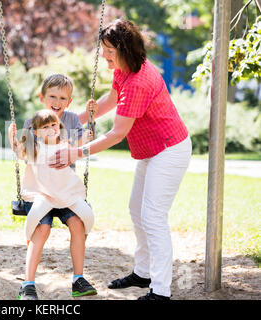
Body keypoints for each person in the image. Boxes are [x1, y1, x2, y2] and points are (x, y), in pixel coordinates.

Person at [49, 19, 192, 300]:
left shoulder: (139, 81)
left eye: (109, 50)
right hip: (154, 150)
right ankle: (143, 273)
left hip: (169, 150)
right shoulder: (124, 71)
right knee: (137, 210)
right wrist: (71, 121)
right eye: (103, 49)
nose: (104, 56)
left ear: (124, 49)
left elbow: (116, 134)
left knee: (153, 217)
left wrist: (75, 152)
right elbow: (110, 100)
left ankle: (161, 291)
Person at [10, 109, 96, 300]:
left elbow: (82, 146)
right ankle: (28, 284)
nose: (50, 129)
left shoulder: (66, 145)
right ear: (37, 132)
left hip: (67, 194)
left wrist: (89, 133)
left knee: (84, 220)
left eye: (53, 125)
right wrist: (11, 137)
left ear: (60, 127)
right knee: (39, 227)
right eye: (45, 127)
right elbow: (19, 153)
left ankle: (79, 280)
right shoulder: (34, 147)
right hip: (43, 194)